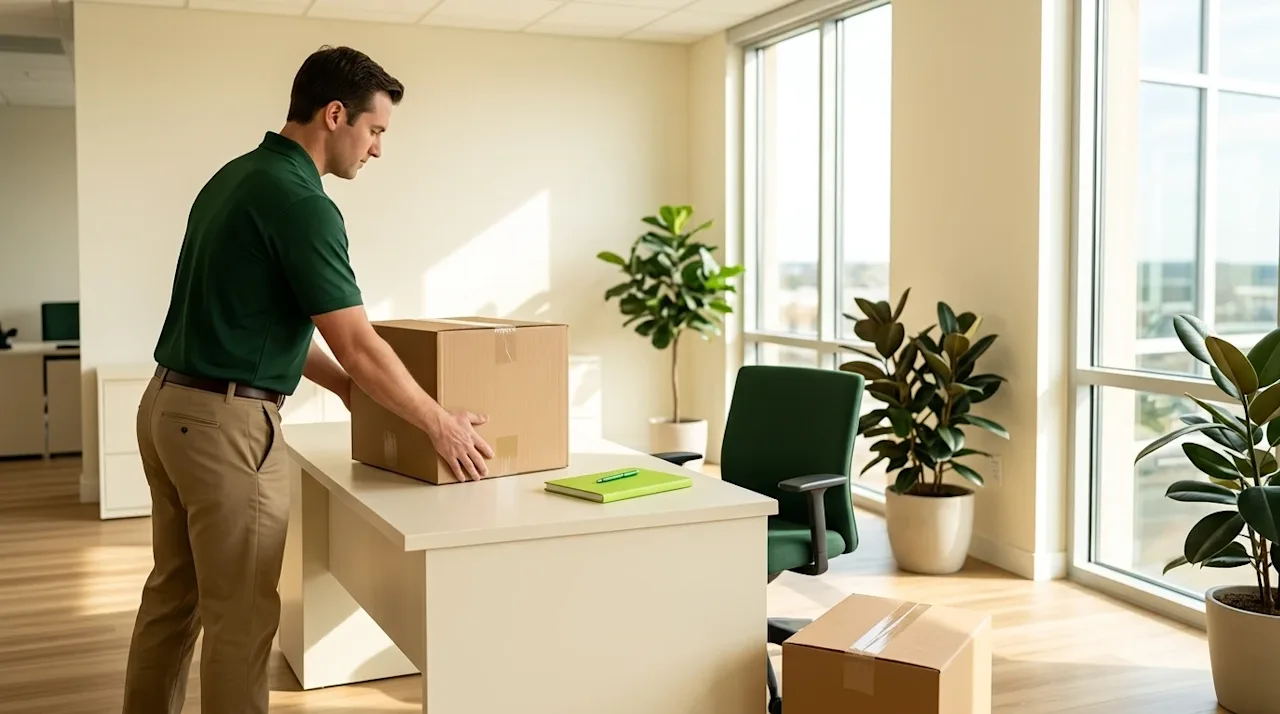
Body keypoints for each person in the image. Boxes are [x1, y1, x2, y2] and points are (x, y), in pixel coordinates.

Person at [120, 46, 494, 714]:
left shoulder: (235, 178)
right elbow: (355, 341)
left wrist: (351, 392)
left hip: (168, 406)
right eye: (375, 130)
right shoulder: (303, 204)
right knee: (240, 622)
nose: (377, 149)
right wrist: (438, 422)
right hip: (224, 428)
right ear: (335, 115)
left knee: (173, 599)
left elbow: (266, 322)